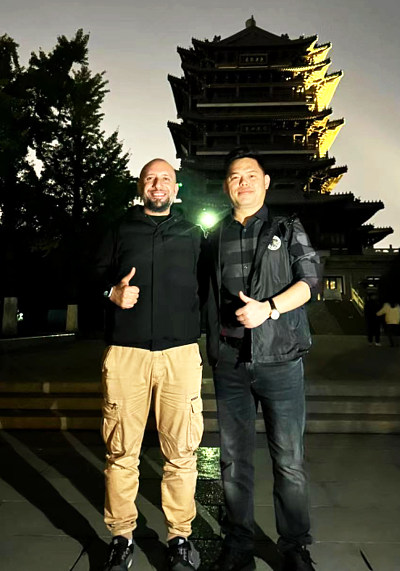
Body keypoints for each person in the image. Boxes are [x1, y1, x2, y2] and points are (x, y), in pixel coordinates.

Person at [204, 148, 320, 571]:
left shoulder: (286, 228)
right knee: (233, 460)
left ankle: (294, 546)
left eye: (251, 175)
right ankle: (238, 542)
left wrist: (269, 308)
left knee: (288, 460)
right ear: (226, 186)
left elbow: (311, 280)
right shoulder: (214, 235)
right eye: (236, 177)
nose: (244, 183)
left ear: (266, 182)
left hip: (280, 360)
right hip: (230, 362)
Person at [95, 158, 204, 571]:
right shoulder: (119, 229)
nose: (158, 184)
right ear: (140, 186)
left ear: (176, 188)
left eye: (166, 179)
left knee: (182, 452)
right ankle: (121, 535)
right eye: (150, 178)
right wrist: (111, 292)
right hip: (127, 353)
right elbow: (91, 276)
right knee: (121, 451)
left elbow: (212, 286)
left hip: (180, 354)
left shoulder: (194, 234)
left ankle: (179, 536)